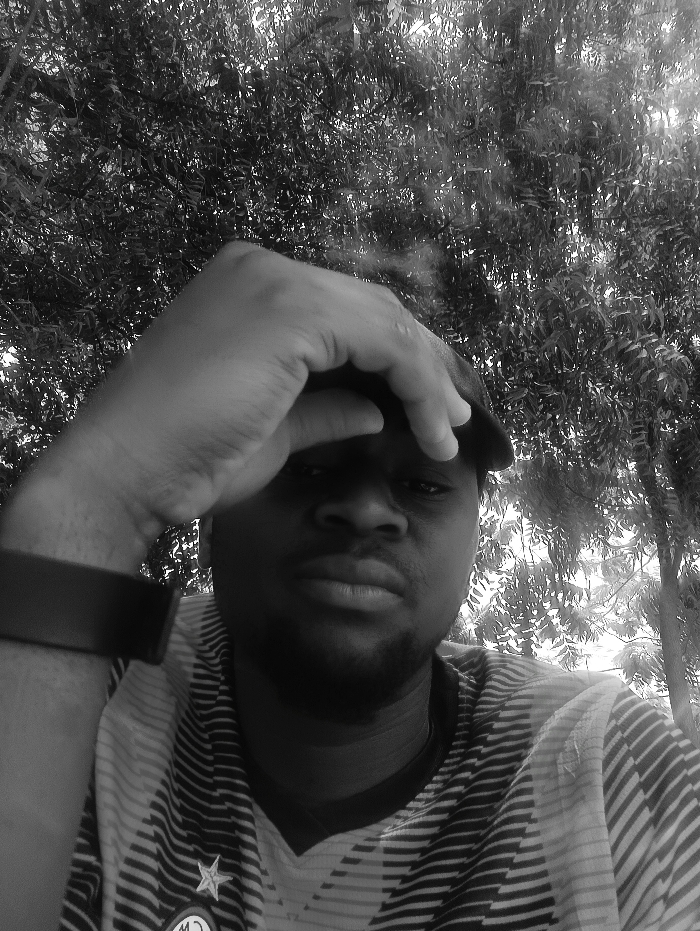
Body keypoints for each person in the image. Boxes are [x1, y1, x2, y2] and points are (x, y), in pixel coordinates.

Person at [0, 242, 699, 931]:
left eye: (423, 484)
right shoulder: (82, 678)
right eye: (305, 466)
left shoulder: (611, 766)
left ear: (472, 545)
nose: (366, 510)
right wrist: (91, 503)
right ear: (210, 520)